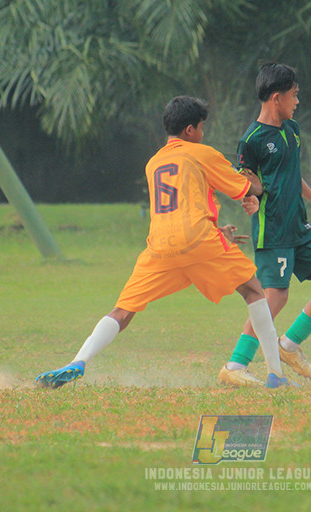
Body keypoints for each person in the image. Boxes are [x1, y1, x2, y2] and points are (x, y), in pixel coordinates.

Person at [36, 96, 293, 389]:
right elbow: (247, 188)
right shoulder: (201, 153)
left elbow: (180, 206)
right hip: (198, 241)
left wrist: (218, 231)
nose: (203, 133)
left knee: (123, 310)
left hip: (160, 247)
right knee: (254, 291)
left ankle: (78, 361)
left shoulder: (153, 162)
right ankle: (276, 376)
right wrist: (254, 184)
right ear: (189, 130)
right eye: (201, 128)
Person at [217, 63, 311, 387]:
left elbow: (293, 173)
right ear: (277, 98)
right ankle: (235, 364)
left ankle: (289, 346)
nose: (297, 101)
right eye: (295, 95)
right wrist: (247, 200)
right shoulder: (251, 139)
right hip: (273, 229)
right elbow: (243, 181)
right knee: (275, 297)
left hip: (299, 227)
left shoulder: (292, 130)